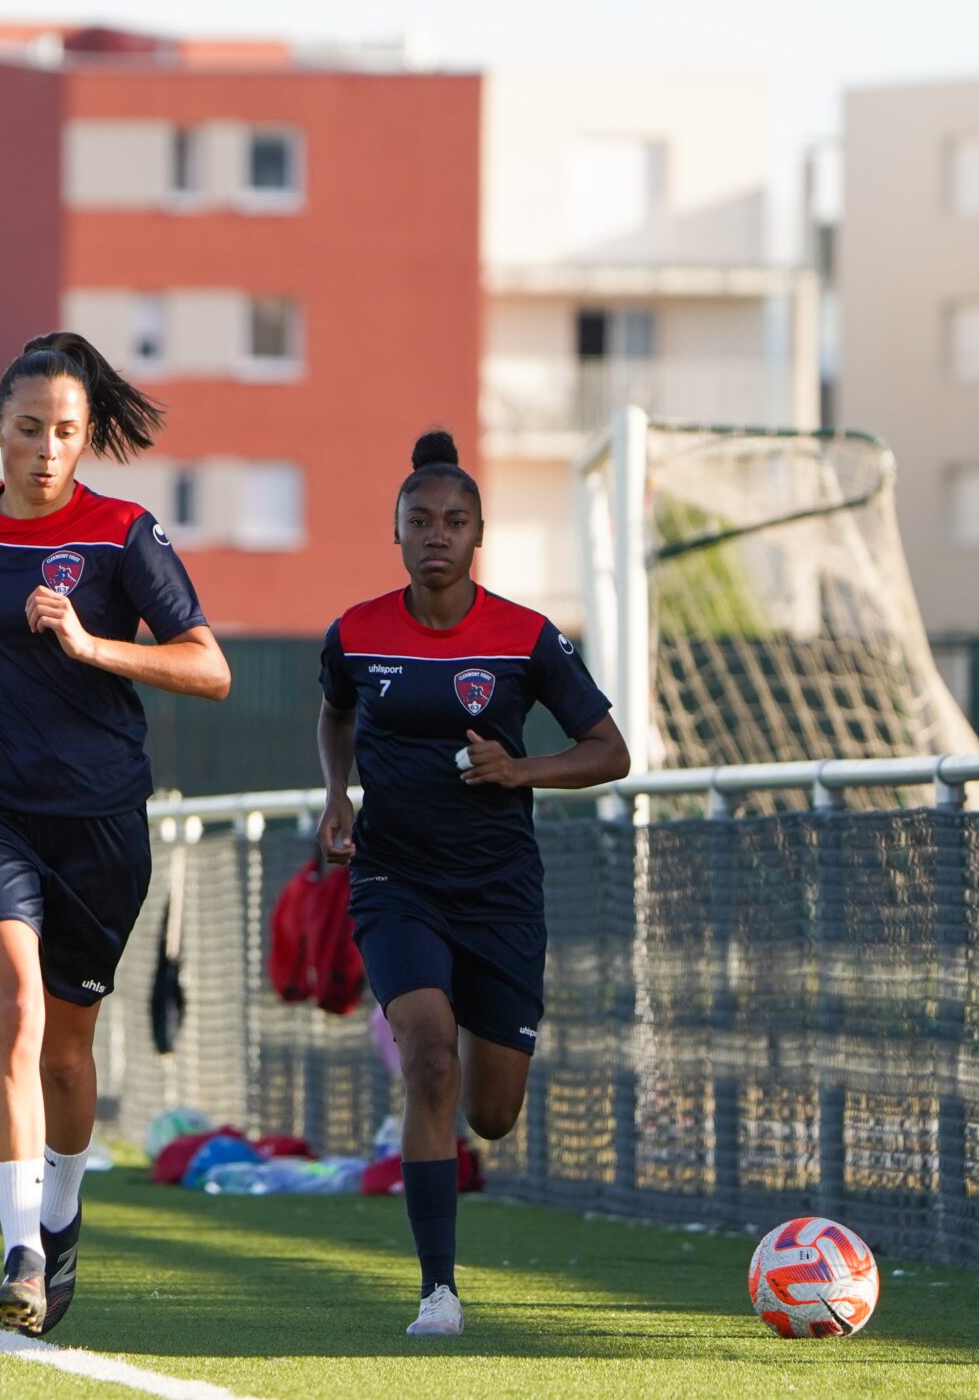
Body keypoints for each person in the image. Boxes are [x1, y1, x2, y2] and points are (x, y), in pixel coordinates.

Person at [0, 333, 229, 1335]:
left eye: (64, 431)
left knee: (66, 1054)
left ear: (83, 439)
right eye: (27, 429)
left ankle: (59, 1226)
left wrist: (89, 643)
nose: (44, 448)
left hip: (97, 824)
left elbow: (207, 666)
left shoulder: (122, 535)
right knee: (12, 1007)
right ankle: (22, 1255)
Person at [315, 430, 628, 1337]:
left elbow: (612, 751)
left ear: (478, 533)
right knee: (429, 1058)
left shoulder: (526, 636)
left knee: (490, 1111)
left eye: (454, 520)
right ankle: (438, 1292)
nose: (437, 534)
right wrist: (337, 795)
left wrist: (517, 772)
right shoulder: (357, 632)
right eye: (420, 520)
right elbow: (334, 711)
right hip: (394, 876)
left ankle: (457, 1145)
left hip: (498, 890)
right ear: (398, 532)